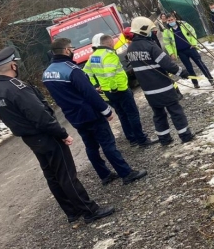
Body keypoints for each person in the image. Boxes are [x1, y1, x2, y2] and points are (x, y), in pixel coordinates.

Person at [0, 48, 114, 224]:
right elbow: (40, 115)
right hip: (46, 136)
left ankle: (71, 212)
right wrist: (61, 133)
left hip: (30, 138)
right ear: (12, 64)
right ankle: (89, 211)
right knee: (66, 174)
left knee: (52, 176)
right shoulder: (17, 88)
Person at [42, 38, 148, 186]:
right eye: (71, 48)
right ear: (66, 51)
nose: (72, 51)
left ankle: (104, 175)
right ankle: (126, 173)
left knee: (91, 146)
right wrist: (105, 110)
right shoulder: (71, 70)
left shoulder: (47, 73)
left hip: (74, 116)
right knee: (108, 144)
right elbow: (89, 93)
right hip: (90, 114)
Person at [127, 17, 195, 145]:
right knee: (176, 111)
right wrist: (183, 73)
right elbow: (168, 65)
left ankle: (164, 139)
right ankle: (185, 135)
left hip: (148, 91)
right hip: (163, 87)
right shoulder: (151, 46)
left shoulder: (130, 49)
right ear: (143, 30)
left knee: (158, 114)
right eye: (151, 30)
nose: (153, 32)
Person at [85, 33, 155, 148]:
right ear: (109, 43)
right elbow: (110, 74)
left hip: (108, 92)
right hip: (119, 90)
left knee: (122, 115)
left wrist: (96, 85)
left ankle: (132, 139)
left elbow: (87, 72)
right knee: (132, 114)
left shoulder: (93, 56)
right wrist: (114, 88)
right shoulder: (109, 55)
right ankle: (141, 139)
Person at [162, 13, 214, 89]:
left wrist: (193, 43)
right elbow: (167, 44)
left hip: (190, 48)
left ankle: (211, 79)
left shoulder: (183, 24)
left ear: (175, 19)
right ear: (167, 21)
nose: (171, 21)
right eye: (169, 20)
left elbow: (192, 32)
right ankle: (195, 83)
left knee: (200, 64)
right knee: (189, 68)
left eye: (172, 19)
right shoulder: (166, 31)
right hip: (181, 52)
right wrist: (171, 53)